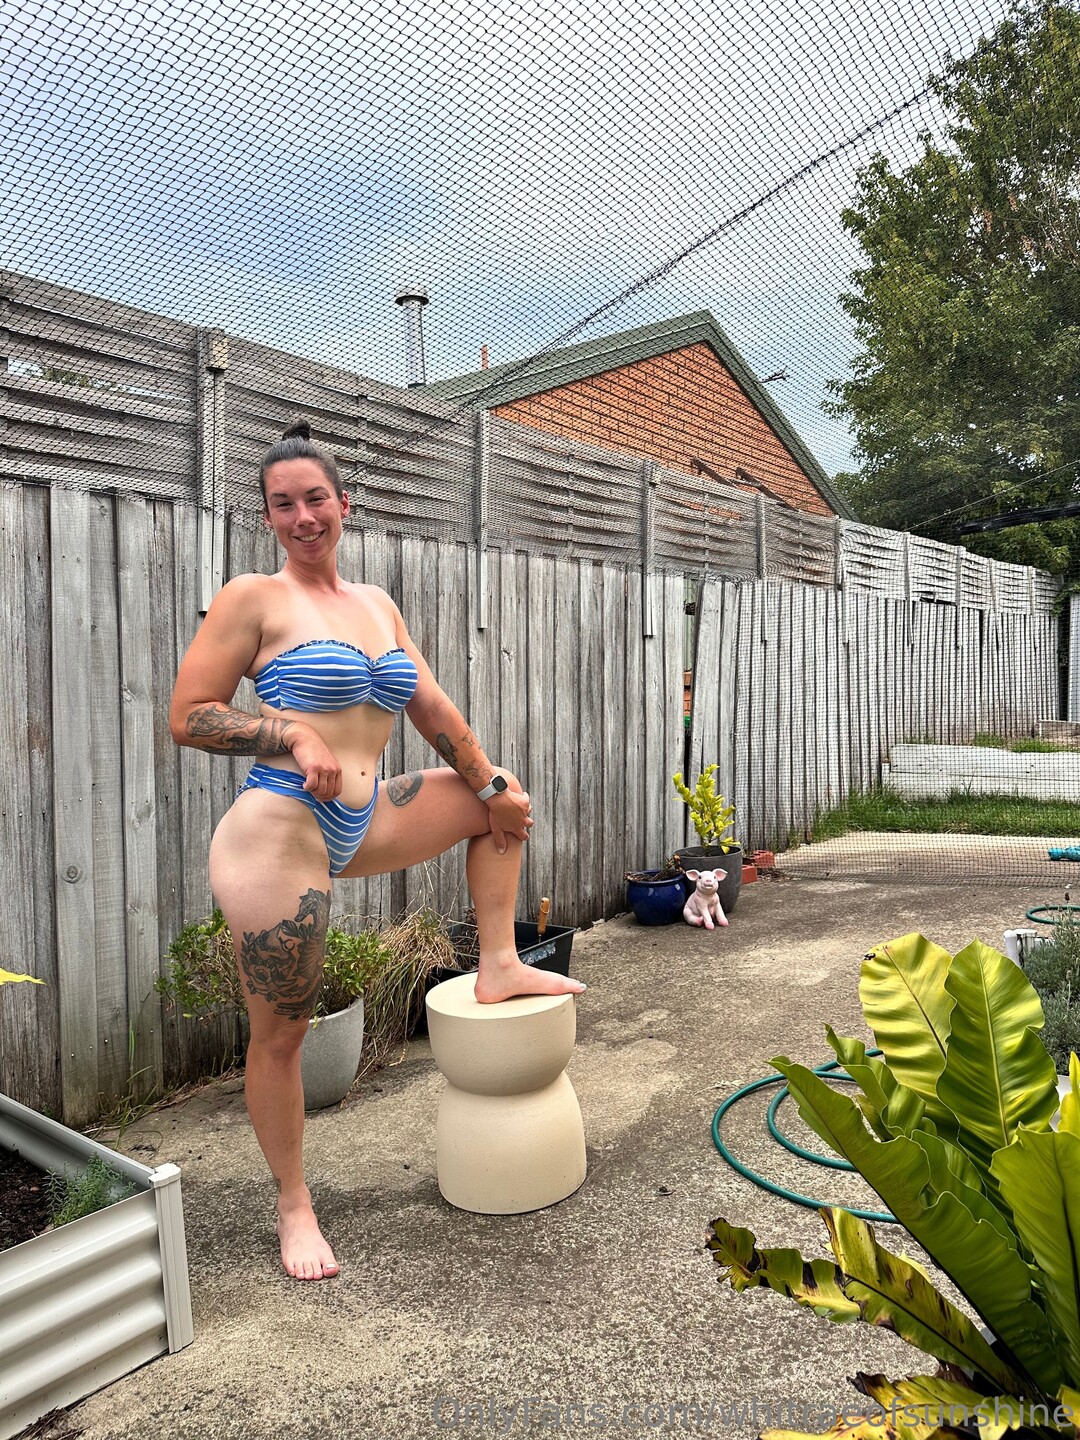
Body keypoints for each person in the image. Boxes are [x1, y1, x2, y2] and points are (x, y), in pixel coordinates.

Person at [169, 421, 584, 1281]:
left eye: (315, 498)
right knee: (282, 1033)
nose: (302, 516)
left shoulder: (376, 605)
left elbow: (429, 707)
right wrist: (287, 733)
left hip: (364, 817)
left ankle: (500, 963)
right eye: (283, 503)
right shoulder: (254, 597)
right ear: (268, 516)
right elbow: (190, 715)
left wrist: (487, 782)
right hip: (280, 827)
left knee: (495, 800)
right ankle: (294, 1205)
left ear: (343, 504)